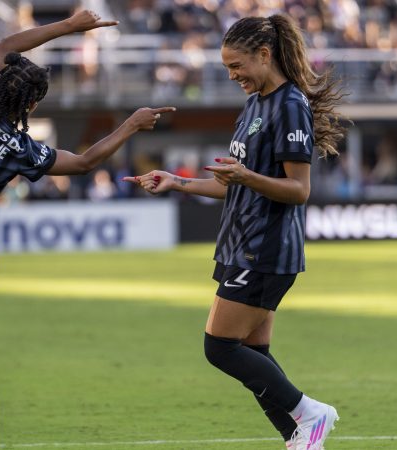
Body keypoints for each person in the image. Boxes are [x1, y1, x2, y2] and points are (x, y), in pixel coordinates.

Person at [0, 10, 175, 450]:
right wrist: (131, 125)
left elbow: (6, 48)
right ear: (28, 106)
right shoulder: (18, 148)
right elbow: (83, 163)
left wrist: (67, 27)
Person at [124, 14, 346, 450]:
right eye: (227, 68)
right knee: (254, 356)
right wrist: (178, 182)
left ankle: (309, 412)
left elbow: (298, 190)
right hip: (241, 243)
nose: (232, 76)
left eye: (237, 66)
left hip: (265, 248)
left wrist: (246, 177)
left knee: (219, 347)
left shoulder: (290, 105)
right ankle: (301, 438)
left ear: (264, 56)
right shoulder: (254, 105)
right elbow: (231, 182)